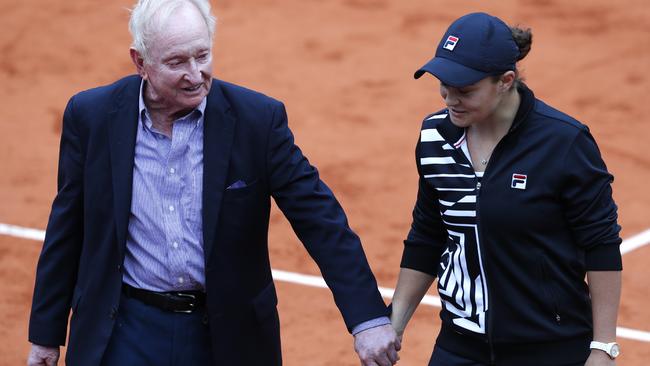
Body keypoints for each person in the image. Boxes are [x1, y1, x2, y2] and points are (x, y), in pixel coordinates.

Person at [26, 1, 401, 365]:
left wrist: (366, 318)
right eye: (176, 62)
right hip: (125, 328)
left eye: (202, 55)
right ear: (140, 62)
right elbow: (67, 225)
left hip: (226, 334)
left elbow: (319, 219)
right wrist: (46, 333)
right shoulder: (92, 116)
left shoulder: (257, 121)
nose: (195, 74)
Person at [389, 12, 622, 366]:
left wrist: (604, 346)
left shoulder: (563, 142)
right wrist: (396, 322)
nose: (450, 99)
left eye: (465, 90)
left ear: (505, 81)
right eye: (444, 86)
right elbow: (428, 232)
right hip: (459, 344)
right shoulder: (435, 137)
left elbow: (600, 244)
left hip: (549, 347)